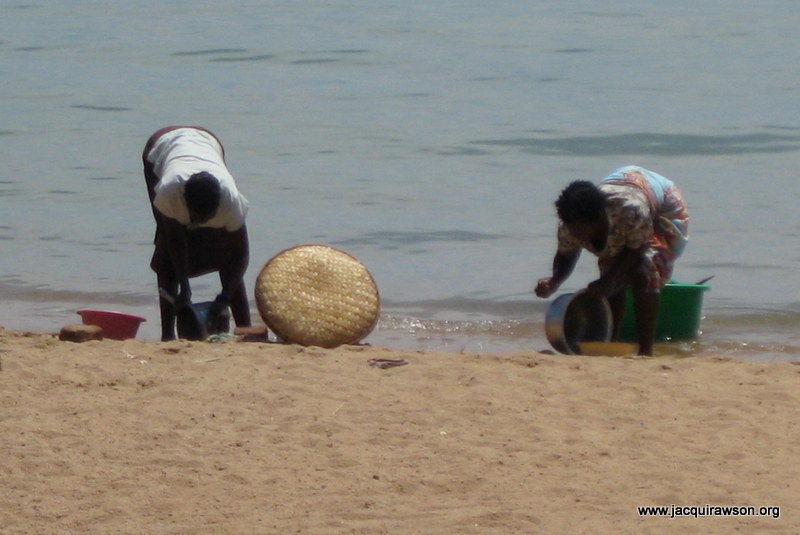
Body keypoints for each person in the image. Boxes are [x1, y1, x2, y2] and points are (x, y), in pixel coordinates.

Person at [535, 166, 689, 355]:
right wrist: (554, 281)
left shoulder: (631, 211)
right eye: (571, 228)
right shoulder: (570, 223)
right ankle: (610, 343)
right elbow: (566, 254)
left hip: (665, 206)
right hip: (625, 184)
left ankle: (646, 350)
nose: (575, 234)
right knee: (611, 274)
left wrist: (608, 281)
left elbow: (637, 250)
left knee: (643, 270)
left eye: (580, 229)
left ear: (598, 219)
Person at [143, 126, 252, 340]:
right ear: (185, 202)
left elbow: (239, 254)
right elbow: (174, 239)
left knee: (225, 253)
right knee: (166, 251)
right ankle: (167, 335)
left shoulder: (231, 201)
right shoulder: (170, 190)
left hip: (208, 141)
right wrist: (184, 288)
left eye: (204, 219)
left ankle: (245, 329)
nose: (197, 223)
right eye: (194, 217)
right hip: (160, 144)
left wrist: (224, 297)